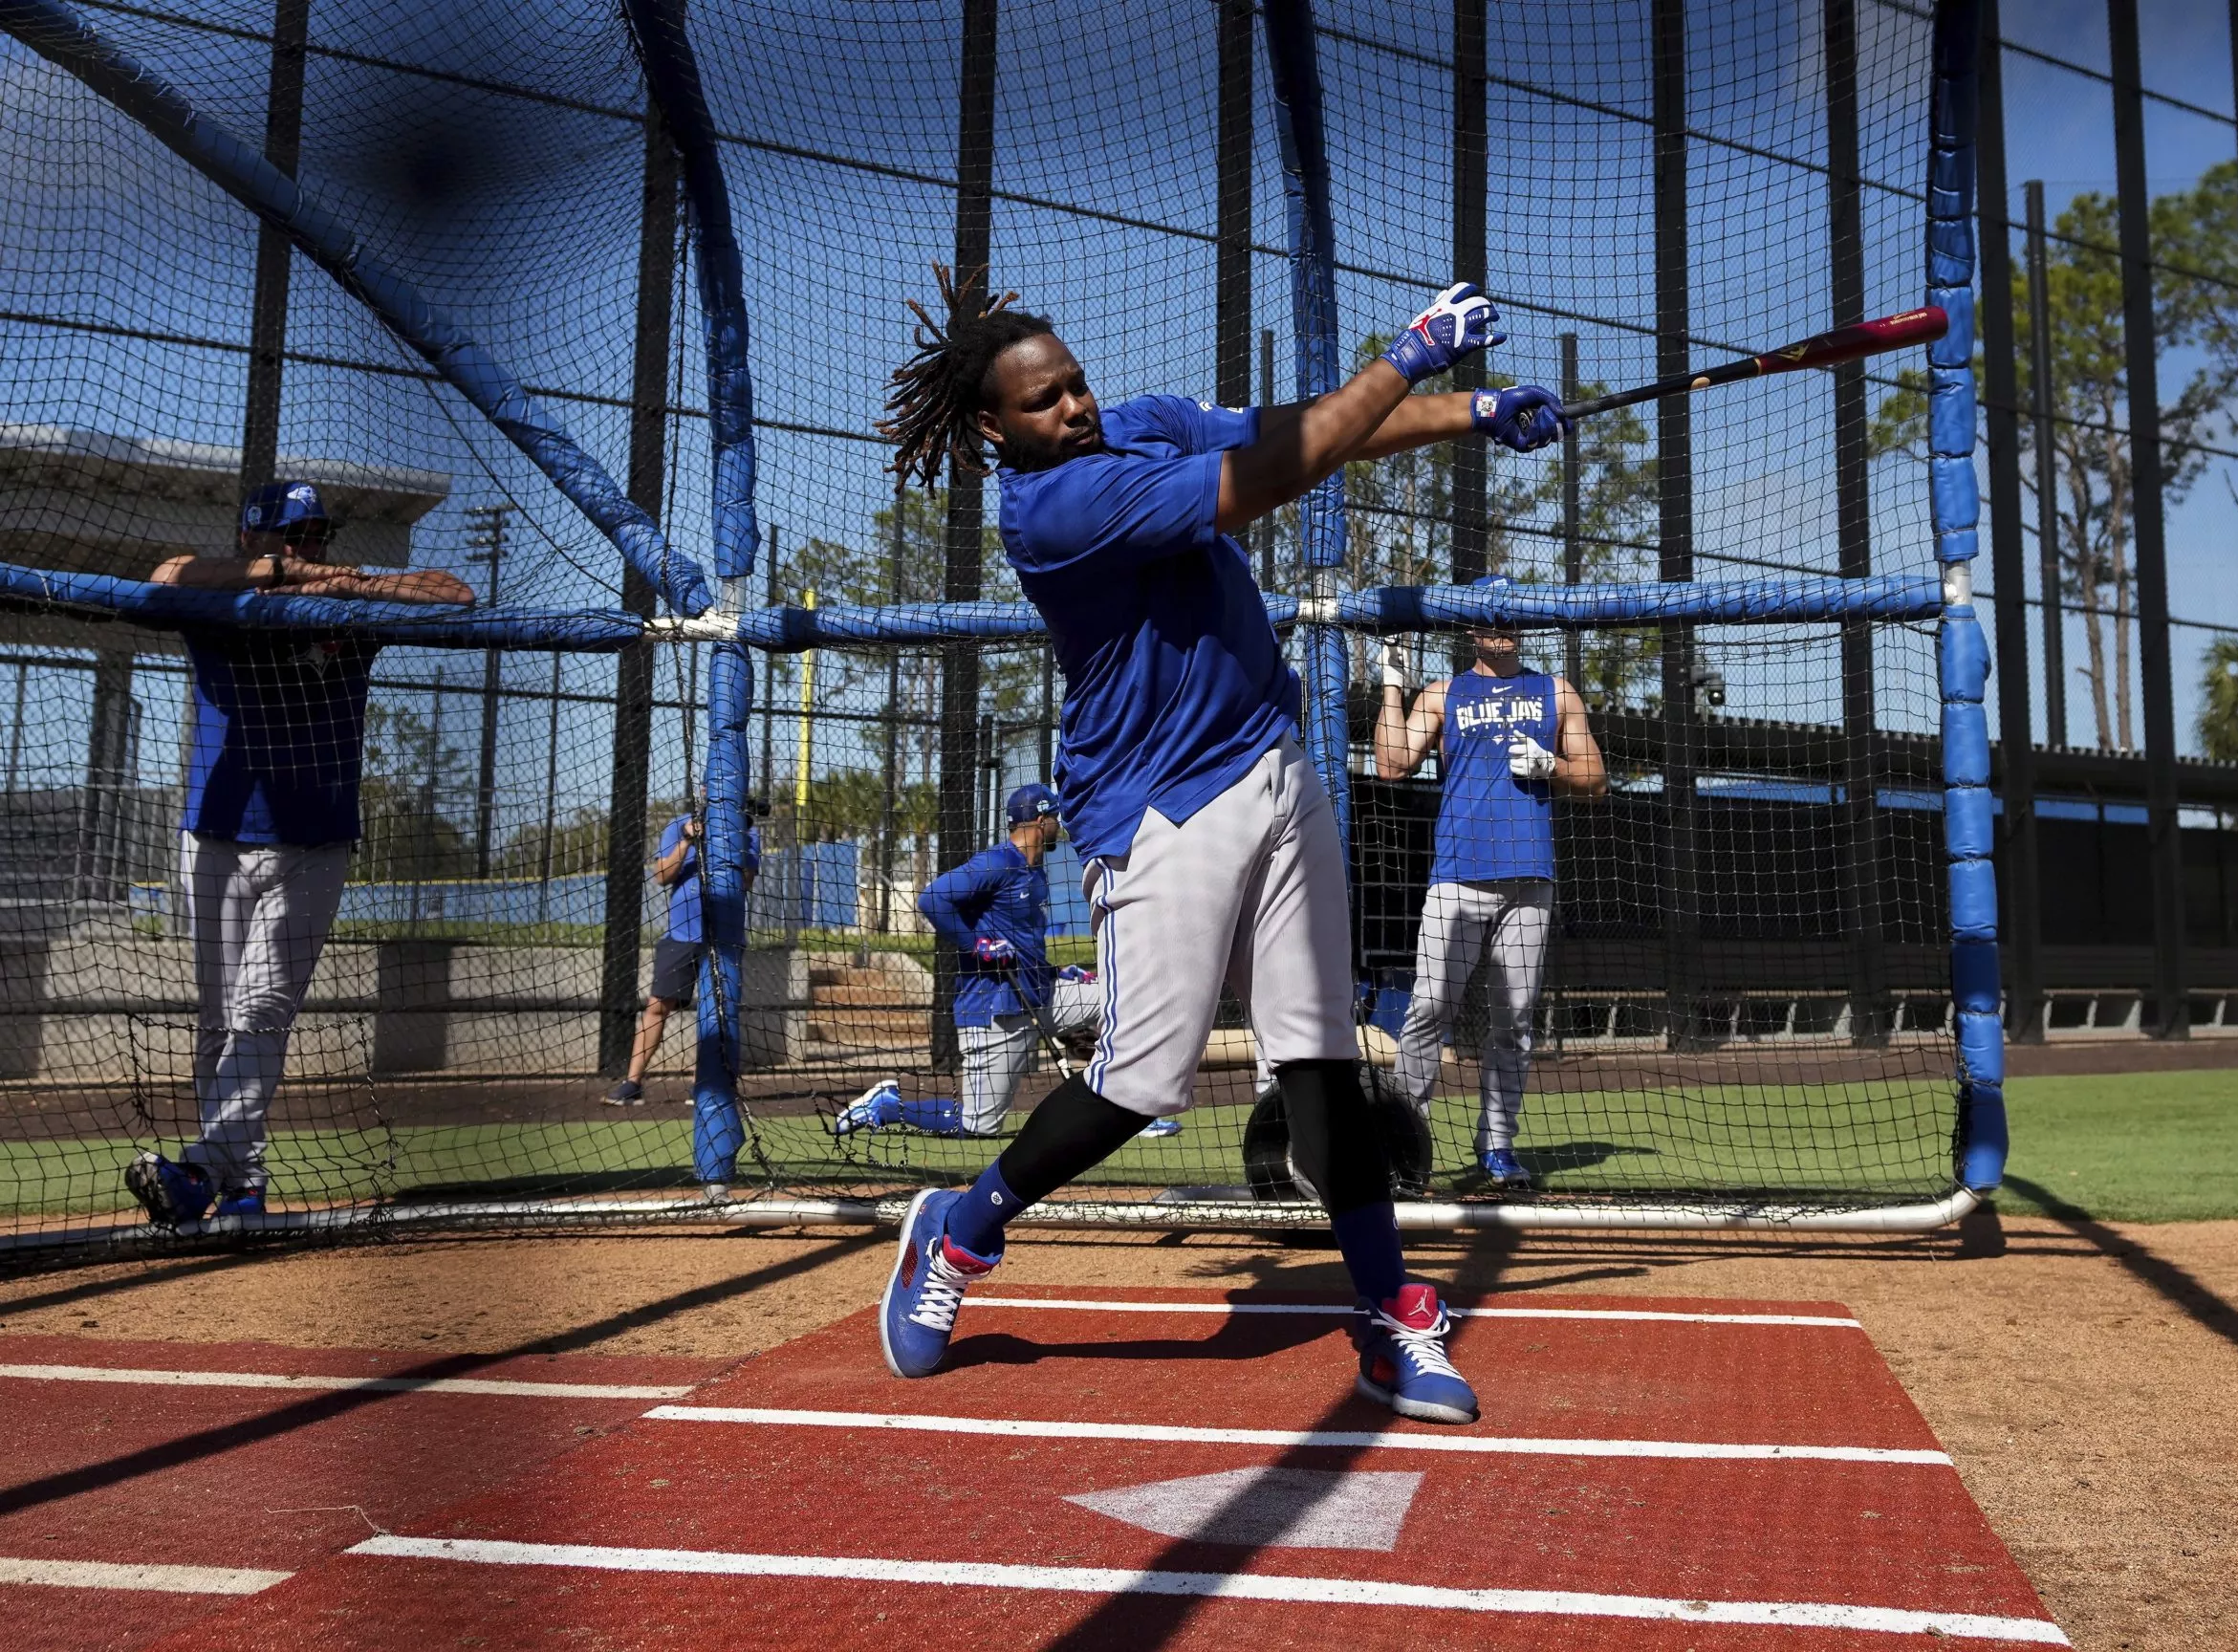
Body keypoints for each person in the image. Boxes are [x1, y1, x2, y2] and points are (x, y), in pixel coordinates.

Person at [865, 264, 1564, 1423]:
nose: (1074, 409)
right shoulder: (1054, 512)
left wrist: (1472, 414)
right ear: (993, 429)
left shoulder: (1134, 431)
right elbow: (1269, 477)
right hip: (1155, 806)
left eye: (1073, 386)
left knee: (1323, 1066)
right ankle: (961, 1234)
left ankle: (1393, 1316)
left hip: (1272, 764)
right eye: (1041, 403)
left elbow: (1300, 427)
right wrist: (1418, 352)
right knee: (1140, 1080)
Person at [125, 480, 475, 1225]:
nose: (309, 545)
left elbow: (457, 592)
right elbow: (164, 575)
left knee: (260, 1013)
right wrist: (284, 575)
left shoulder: (349, 604)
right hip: (216, 837)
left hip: (315, 844)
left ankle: (200, 1175)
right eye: (294, 534)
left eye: (317, 534)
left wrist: (344, 581)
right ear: (253, 536)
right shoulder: (221, 599)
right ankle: (241, 1183)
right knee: (218, 1022)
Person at [1371, 579, 1608, 1188]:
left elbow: (1596, 778)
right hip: (1458, 877)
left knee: (1515, 1020)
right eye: (1488, 620)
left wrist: (1551, 765)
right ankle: (1404, 1143)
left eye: (1509, 619)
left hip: (1530, 880)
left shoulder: (1555, 691)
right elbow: (1392, 765)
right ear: (1472, 628)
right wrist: (1392, 683)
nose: (1500, 629)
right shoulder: (1444, 690)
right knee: (1428, 1009)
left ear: (1522, 625)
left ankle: (1497, 1146)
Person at [835, 782, 1153, 1139]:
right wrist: (978, 944)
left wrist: (1057, 972)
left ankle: (1133, 1108)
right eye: (1055, 818)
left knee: (1119, 996)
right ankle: (889, 1105)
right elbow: (932, 900)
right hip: (994, 1009)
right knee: (978, 1125)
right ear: (1040, 819)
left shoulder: (1035, 871)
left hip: (1039, 994)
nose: (1059, 826)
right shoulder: (996, 862)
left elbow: (1021, 942)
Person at [604, 802, 763, 1104]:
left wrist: (732, 843)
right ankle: (632, 1083)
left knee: (715, 1011)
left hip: (724, 937)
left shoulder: (746, 831)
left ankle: (704, 1084)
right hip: (680, 935)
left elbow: (746, 882)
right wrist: (689, 840)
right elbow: (661, 875)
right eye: (705, 787)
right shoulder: (679, 825)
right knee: (656, 1008)